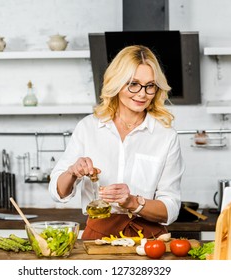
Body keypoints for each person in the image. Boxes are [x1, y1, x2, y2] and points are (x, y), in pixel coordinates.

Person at [49, 45, 185, 239]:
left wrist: (133, 202)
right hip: (98, 236)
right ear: (117, 83)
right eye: (133, 83)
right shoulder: (88, 127)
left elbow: (170, 208)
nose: (142, 94)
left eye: (150, 85)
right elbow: (57, 192)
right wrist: (72, 172)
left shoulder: (165, 136)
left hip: (148, 240)